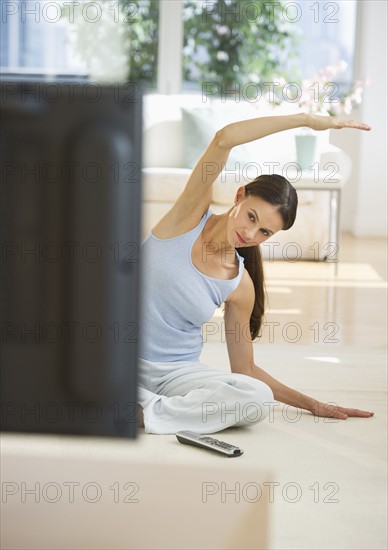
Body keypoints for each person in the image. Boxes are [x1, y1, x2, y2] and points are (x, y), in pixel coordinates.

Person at [138, 111, 374, 434]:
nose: (250, 235)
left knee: (256, 398)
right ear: (239, 196)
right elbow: (225, 137)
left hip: (176, 374)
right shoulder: (188, 216)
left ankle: (142, 413)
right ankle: (146, 406)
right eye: (251, 217)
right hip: (117, 357)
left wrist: (314, 405)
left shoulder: (240, 284)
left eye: (264, 232)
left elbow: (245, 369)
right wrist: (305, 120)